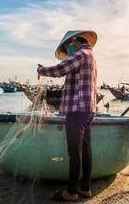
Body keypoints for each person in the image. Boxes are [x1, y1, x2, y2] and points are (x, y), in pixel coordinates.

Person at [37, 30, 97, 202]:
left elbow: (59, 69)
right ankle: (85, 187)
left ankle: (71, 192)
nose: (67, 50)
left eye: (66, 46)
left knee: (74, 151)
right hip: (88, 108)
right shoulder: (90, 55)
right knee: (85, 148)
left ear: (73, 42)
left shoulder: (81, 54)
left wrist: (41, 69)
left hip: (77, 109)